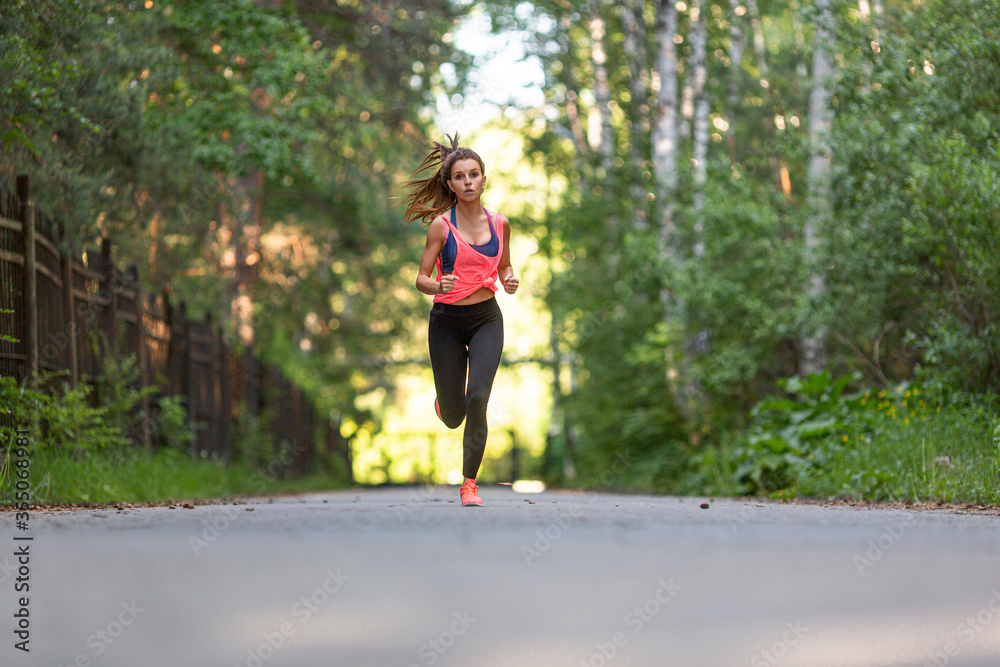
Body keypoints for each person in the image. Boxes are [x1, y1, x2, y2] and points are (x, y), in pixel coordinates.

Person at [401, 134, 519, 507]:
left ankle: (469, 484)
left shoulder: (501, 224)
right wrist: (438, 284)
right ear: (449, 183)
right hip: (446, 322)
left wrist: (510, 279)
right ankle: (444, 404)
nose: (468, 181)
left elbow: (504, 266)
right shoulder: (441, 226)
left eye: (474, 174)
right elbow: (420, 279)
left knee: (478, 399)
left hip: (486, 318)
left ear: (484, 180)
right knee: (454, 416)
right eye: (460, 176)